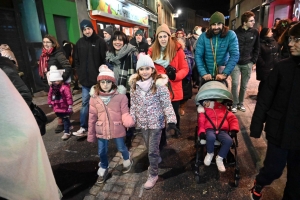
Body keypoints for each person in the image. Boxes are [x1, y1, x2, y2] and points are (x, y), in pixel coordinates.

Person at [249, 22, 300, 200]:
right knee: (273, 169)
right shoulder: (282, 67)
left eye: (297, 39)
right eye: (290, 39)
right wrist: (256, 125)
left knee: (296, 181)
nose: (291, 44)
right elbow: (265, 98)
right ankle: (261, 181)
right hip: (279, 130)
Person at [0, 69, 62, 200]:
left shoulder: (5, 69)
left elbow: (24, 94)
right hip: (12, 137)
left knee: (27, 181)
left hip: (16, 135)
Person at [128, 54, 177, 189]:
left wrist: (171, 120)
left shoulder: (159, 85)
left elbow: (166, 104)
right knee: (149, 147)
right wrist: (132, 118)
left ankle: (153, 174)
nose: (144, 72)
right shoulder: (134, 86)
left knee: (151, 151)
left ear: (153, 69)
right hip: (143, 123)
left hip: (156, 122)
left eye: (147, 68)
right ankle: (156, 158)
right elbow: (134, 105)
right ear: (138, 71)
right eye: (141, 69)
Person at [88, 65, 134, 184]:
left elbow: (125, 112)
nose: (105, 84)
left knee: (121, 147)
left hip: (117, 127)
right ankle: (103, 167)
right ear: (99, 83)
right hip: (101, 129)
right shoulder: (94, 98)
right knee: (102, 151)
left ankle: (127, 159)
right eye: (102, 82)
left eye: (108, 82)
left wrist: (127, 119)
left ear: (113, 83)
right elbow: (92, 117)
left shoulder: (121, 97)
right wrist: (90, 134)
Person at [148, 23, 189, 140]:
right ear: (157, 38)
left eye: (165, 36)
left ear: (169, 36)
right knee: (160, 114)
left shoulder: (177, 49)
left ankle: (177, 128)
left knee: (174, 112)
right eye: (160, 37)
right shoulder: (151, 52)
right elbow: (148, 69)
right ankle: (162, 136)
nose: (162, 39)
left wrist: (175, 75)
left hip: (173, 87)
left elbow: (185, 68)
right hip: (159, 88)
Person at [73, 19, 107, 137]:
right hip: (85, 81)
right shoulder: (79, 43)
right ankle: (83, 127)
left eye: (89, 28)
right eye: (85, 29)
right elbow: (76, 60)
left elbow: (105, 60)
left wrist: (102, 75)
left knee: (100, 104)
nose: (87, 31)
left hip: (98, 81)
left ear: (92, 28)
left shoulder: (100, 42)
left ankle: (101, 125)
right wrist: (80, 73)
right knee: (85, 104)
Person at [106, 30, 138, 146]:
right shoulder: (109, 56)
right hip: (114, 89)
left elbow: (137, 70)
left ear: (124, 41)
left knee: (128, 112)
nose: (117, 42)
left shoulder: (131, 53)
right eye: (115, 39)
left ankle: (129, 136)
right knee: (118, 113)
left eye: (120, 39)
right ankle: (121, 132)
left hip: (127, 88)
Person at [195, 11, 239, 84]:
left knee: (222, 94)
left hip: (221, 75)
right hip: (206, 75)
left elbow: (235, 55)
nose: (216, 27)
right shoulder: (203, 36)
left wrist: (225, 73)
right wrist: (203, 73)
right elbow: (198, 55)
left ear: (223, 24)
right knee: (204, 94)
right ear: (210, 26)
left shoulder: (230, 35)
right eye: (213, 25)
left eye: (219, 24)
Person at [39, 34, 72, 133]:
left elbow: (67, 66)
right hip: (52, 83)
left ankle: (62, 122)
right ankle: (63, 120)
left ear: (53, 43)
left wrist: (61, 80)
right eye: (44, 42)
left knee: (61, 103)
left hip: (59, 84)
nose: (45, 44)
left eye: (48, 42)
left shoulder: (57, 54)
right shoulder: (44, 55)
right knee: (56, 103)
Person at [197, 99, 239, 172]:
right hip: (209, 129)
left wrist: (233, 129)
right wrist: (202, 132)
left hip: (222, 130)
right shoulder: (204, 111)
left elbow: (232, 118)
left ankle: (220, 158)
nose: (206, 104)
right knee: (210, 138)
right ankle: (210, 153)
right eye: (204, 103)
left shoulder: (223, 109)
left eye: (207, 102)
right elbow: (201, 121)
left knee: (229, 140)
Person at [231, 11, 259, 113]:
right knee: (234, 83)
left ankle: (240, 103)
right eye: (251, 21)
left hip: (247, 63)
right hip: (235, 63)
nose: (253, 22)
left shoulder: (255, 32)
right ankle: (234, 103)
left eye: (253, 20)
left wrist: (253, 61)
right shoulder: (235, 32)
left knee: (244, 85)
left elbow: (257, 47)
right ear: (244, 22)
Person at [48, 66, 73, 140]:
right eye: (53, 81)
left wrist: (70, 105)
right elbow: (49, 95)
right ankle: (69, 126)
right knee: (63, 117)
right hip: (57, 106)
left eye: (56, 81)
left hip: (64, 106)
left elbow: (69, 96)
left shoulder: (64, 88)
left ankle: (67, 132)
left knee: (65, 118)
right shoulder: (52, 88)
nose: (55, 83)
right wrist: (50, 102)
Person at [256, 28, 279, 92]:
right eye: (270, 32)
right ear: (265, 34)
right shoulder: (260, 43)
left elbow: (278, 51)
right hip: (265, 67)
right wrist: (263, 63)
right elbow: (258, 55)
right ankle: (261, 96)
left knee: (272, 81)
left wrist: (278, 61)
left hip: (274, 64)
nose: (272, 33)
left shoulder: (273, 41)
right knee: (264, 82)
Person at [177, 37, 193, 116]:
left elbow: (191, 63)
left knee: (185, 94)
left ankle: (182, 107)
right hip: (176, 76)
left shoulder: (187, 53)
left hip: (185, 77)